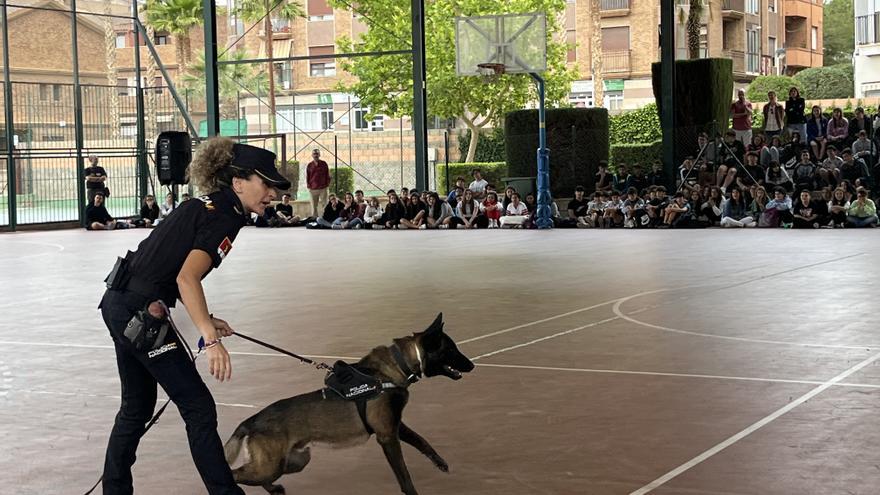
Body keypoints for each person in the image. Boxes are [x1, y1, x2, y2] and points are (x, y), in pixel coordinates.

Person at [98, 137, 289, 495]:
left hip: (120, 302)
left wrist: (206, 317)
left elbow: (172, 271)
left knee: (136, 408)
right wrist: (210, 339)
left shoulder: (209, 205)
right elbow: (187, 277)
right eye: (266, 184)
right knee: (198, 407)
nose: (272, 194)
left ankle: (115, 489)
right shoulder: (226, 217)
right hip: (139, 311)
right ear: (238, 181)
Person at [306, 149, 330, 218]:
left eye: (317, 154)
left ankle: (326, 217)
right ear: (312, 155)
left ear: (319, 155)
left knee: (325, 204)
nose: (316, 155)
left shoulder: (324, 164)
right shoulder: (310, 165)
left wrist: (327, 184)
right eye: (314, 154)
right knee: (314, 206)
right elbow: (308, 176)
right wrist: (309, 186)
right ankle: (314, 218)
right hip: (313, 188)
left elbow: (327, 174)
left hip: (323, 188)